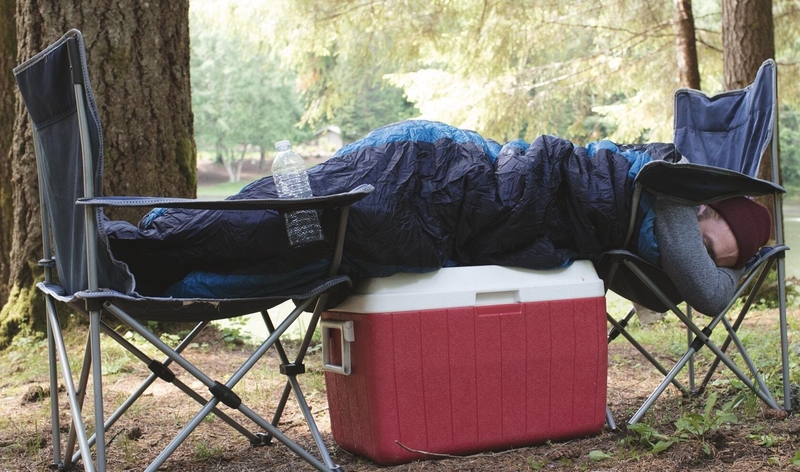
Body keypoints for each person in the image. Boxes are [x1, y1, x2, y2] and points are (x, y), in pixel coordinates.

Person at [105, 120, 772, 316]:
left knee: (299, 256)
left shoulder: (643, 206)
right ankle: (143, 242)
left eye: (733, 260)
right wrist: (762, 269)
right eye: (730, 246)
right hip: (428, 179)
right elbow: (709, 297)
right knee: (290, 216)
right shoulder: (672, 200)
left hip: (433, 212)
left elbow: (666, 289)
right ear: (709, 209)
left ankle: (152, 282)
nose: (721, 260)